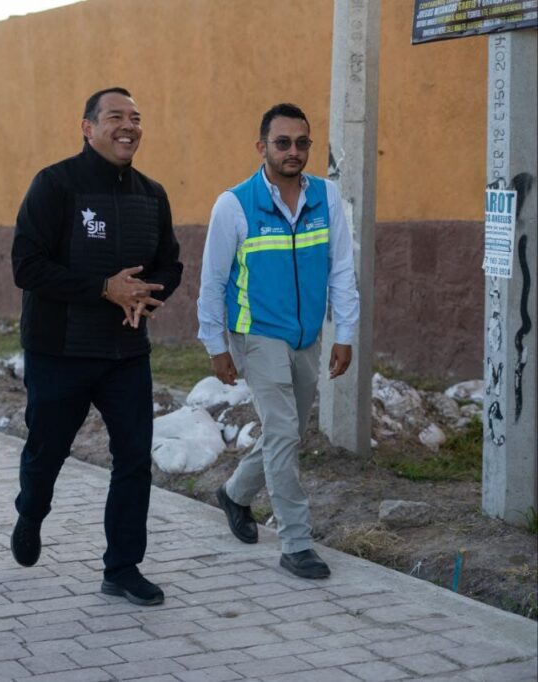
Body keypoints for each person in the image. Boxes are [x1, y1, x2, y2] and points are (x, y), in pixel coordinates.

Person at [9, 87, 183, 606]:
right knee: (47, 453)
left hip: (126, 354)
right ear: (87, 127)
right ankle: (31, 512)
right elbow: (27, 266)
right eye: (115, 117)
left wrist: (146, 296)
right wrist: (104, 288)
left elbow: (170, 264)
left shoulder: (153, 194)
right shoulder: (54, 185)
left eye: (136, 118)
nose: (128, 126)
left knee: (133, 459)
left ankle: (122, 566)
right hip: (58, 353)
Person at [196, 102, 360, 580]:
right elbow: (212, 282)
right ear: (261, 146)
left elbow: (342, 271)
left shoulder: (326, 199)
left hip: (307, 337)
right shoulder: (235, 204)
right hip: (257, 335)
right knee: (285, 433)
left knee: (283, 433)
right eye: (282, 142)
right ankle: (296, 543)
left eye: (302, 142)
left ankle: (234, 494)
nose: (293, 151)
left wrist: (343, 334)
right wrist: (216, 346)